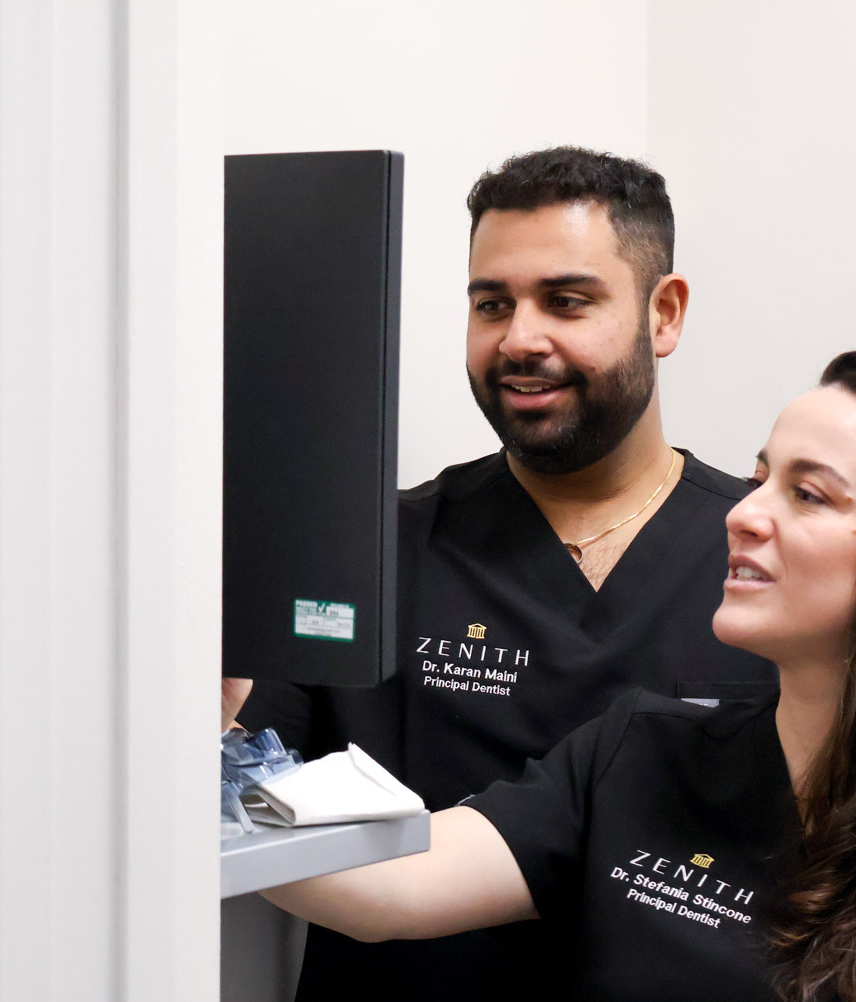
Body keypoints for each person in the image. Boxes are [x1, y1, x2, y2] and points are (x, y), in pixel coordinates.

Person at [231, 351, 856, 1002]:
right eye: (759, 475)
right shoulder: (639, 757)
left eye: (808, 493)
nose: (746, 512)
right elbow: (390, 885)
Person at [232, 147, 776, 999]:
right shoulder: (373, 551)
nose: (520, 339)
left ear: (663, 314)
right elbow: (242, 794)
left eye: (566, 301)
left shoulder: (764, 563)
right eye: (492, 304)